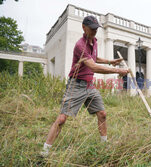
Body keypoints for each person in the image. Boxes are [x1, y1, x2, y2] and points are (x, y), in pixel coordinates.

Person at [41, 16, 129, 157]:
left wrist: (110, 61)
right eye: (92, 29)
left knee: (102, 114)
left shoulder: (94, 41)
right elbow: (93, 66)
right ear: (84, 27)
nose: (95, 31)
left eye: (96, 29)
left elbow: (94, 57)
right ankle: (44, 151)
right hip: (75, 85)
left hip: (89, 85)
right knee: (62, 119)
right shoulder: (80, 45)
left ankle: (104, 145)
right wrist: (118, 71)